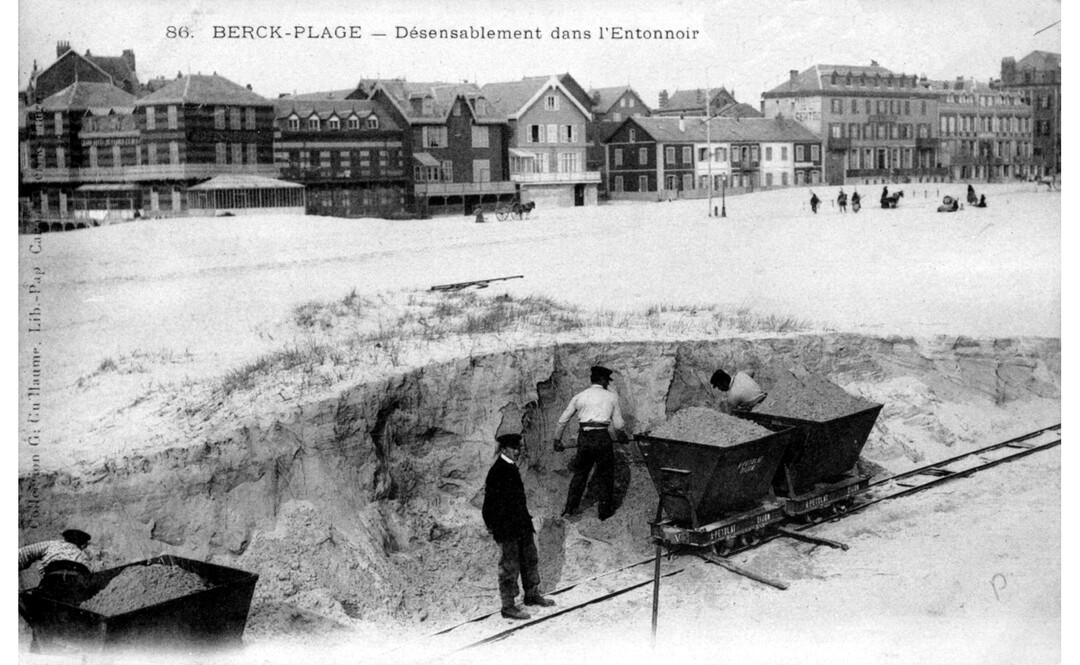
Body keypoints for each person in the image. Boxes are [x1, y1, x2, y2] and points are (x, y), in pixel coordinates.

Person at [482, 433, 554, 621]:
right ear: (504, 449)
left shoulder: (511, 468)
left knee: (530, 559)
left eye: (519, 448)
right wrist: (494, 527)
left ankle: (531, 594)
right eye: (514, 448)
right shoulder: (497, 471)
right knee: (509, 567)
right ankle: (508, 606)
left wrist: (526, 521)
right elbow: (489, 505)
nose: (517, 452)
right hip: (507, 528)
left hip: (521, 524)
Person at [553, 365, 625, 521]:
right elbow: (618, 425)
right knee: (606, 475)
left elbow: (562, 420)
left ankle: (570, 509)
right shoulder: (611, 397)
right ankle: (604, 513)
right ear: (603, 380)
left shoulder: (580, 396)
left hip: (584, 438)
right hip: (602, 438)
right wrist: (622, 436)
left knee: (580, 474)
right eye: (607, 380)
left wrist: (557, 440)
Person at [19, 529, 94, 605]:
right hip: (74, 587)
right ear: (82, 543)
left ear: (65, 538)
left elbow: (23, 554)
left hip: (53, 581)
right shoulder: (84, 556)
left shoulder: (52, 544)